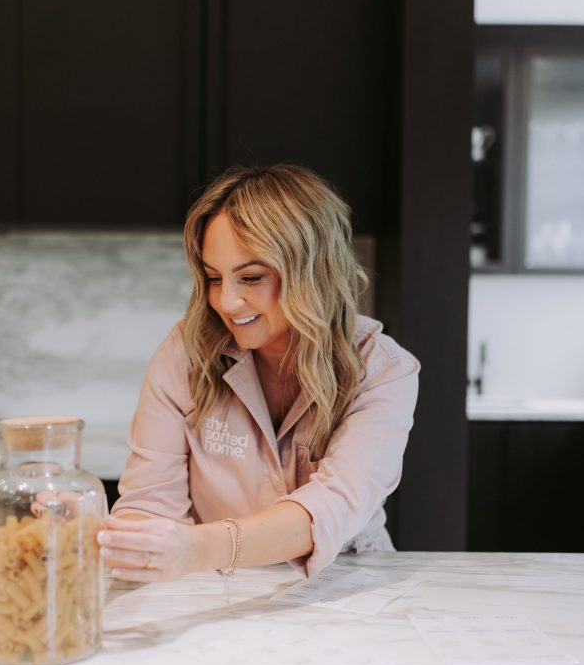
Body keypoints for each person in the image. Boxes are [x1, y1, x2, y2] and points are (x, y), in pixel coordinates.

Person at [97, 164, 419, 583]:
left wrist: (196, 547)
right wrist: (117, 538)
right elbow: (150, 503)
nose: (227, 302)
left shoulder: (381, 369)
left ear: (313, 270)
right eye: (214, 278)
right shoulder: (186, 353)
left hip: (346, 584)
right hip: (211, 585)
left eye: (251, 277)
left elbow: (334, 503)